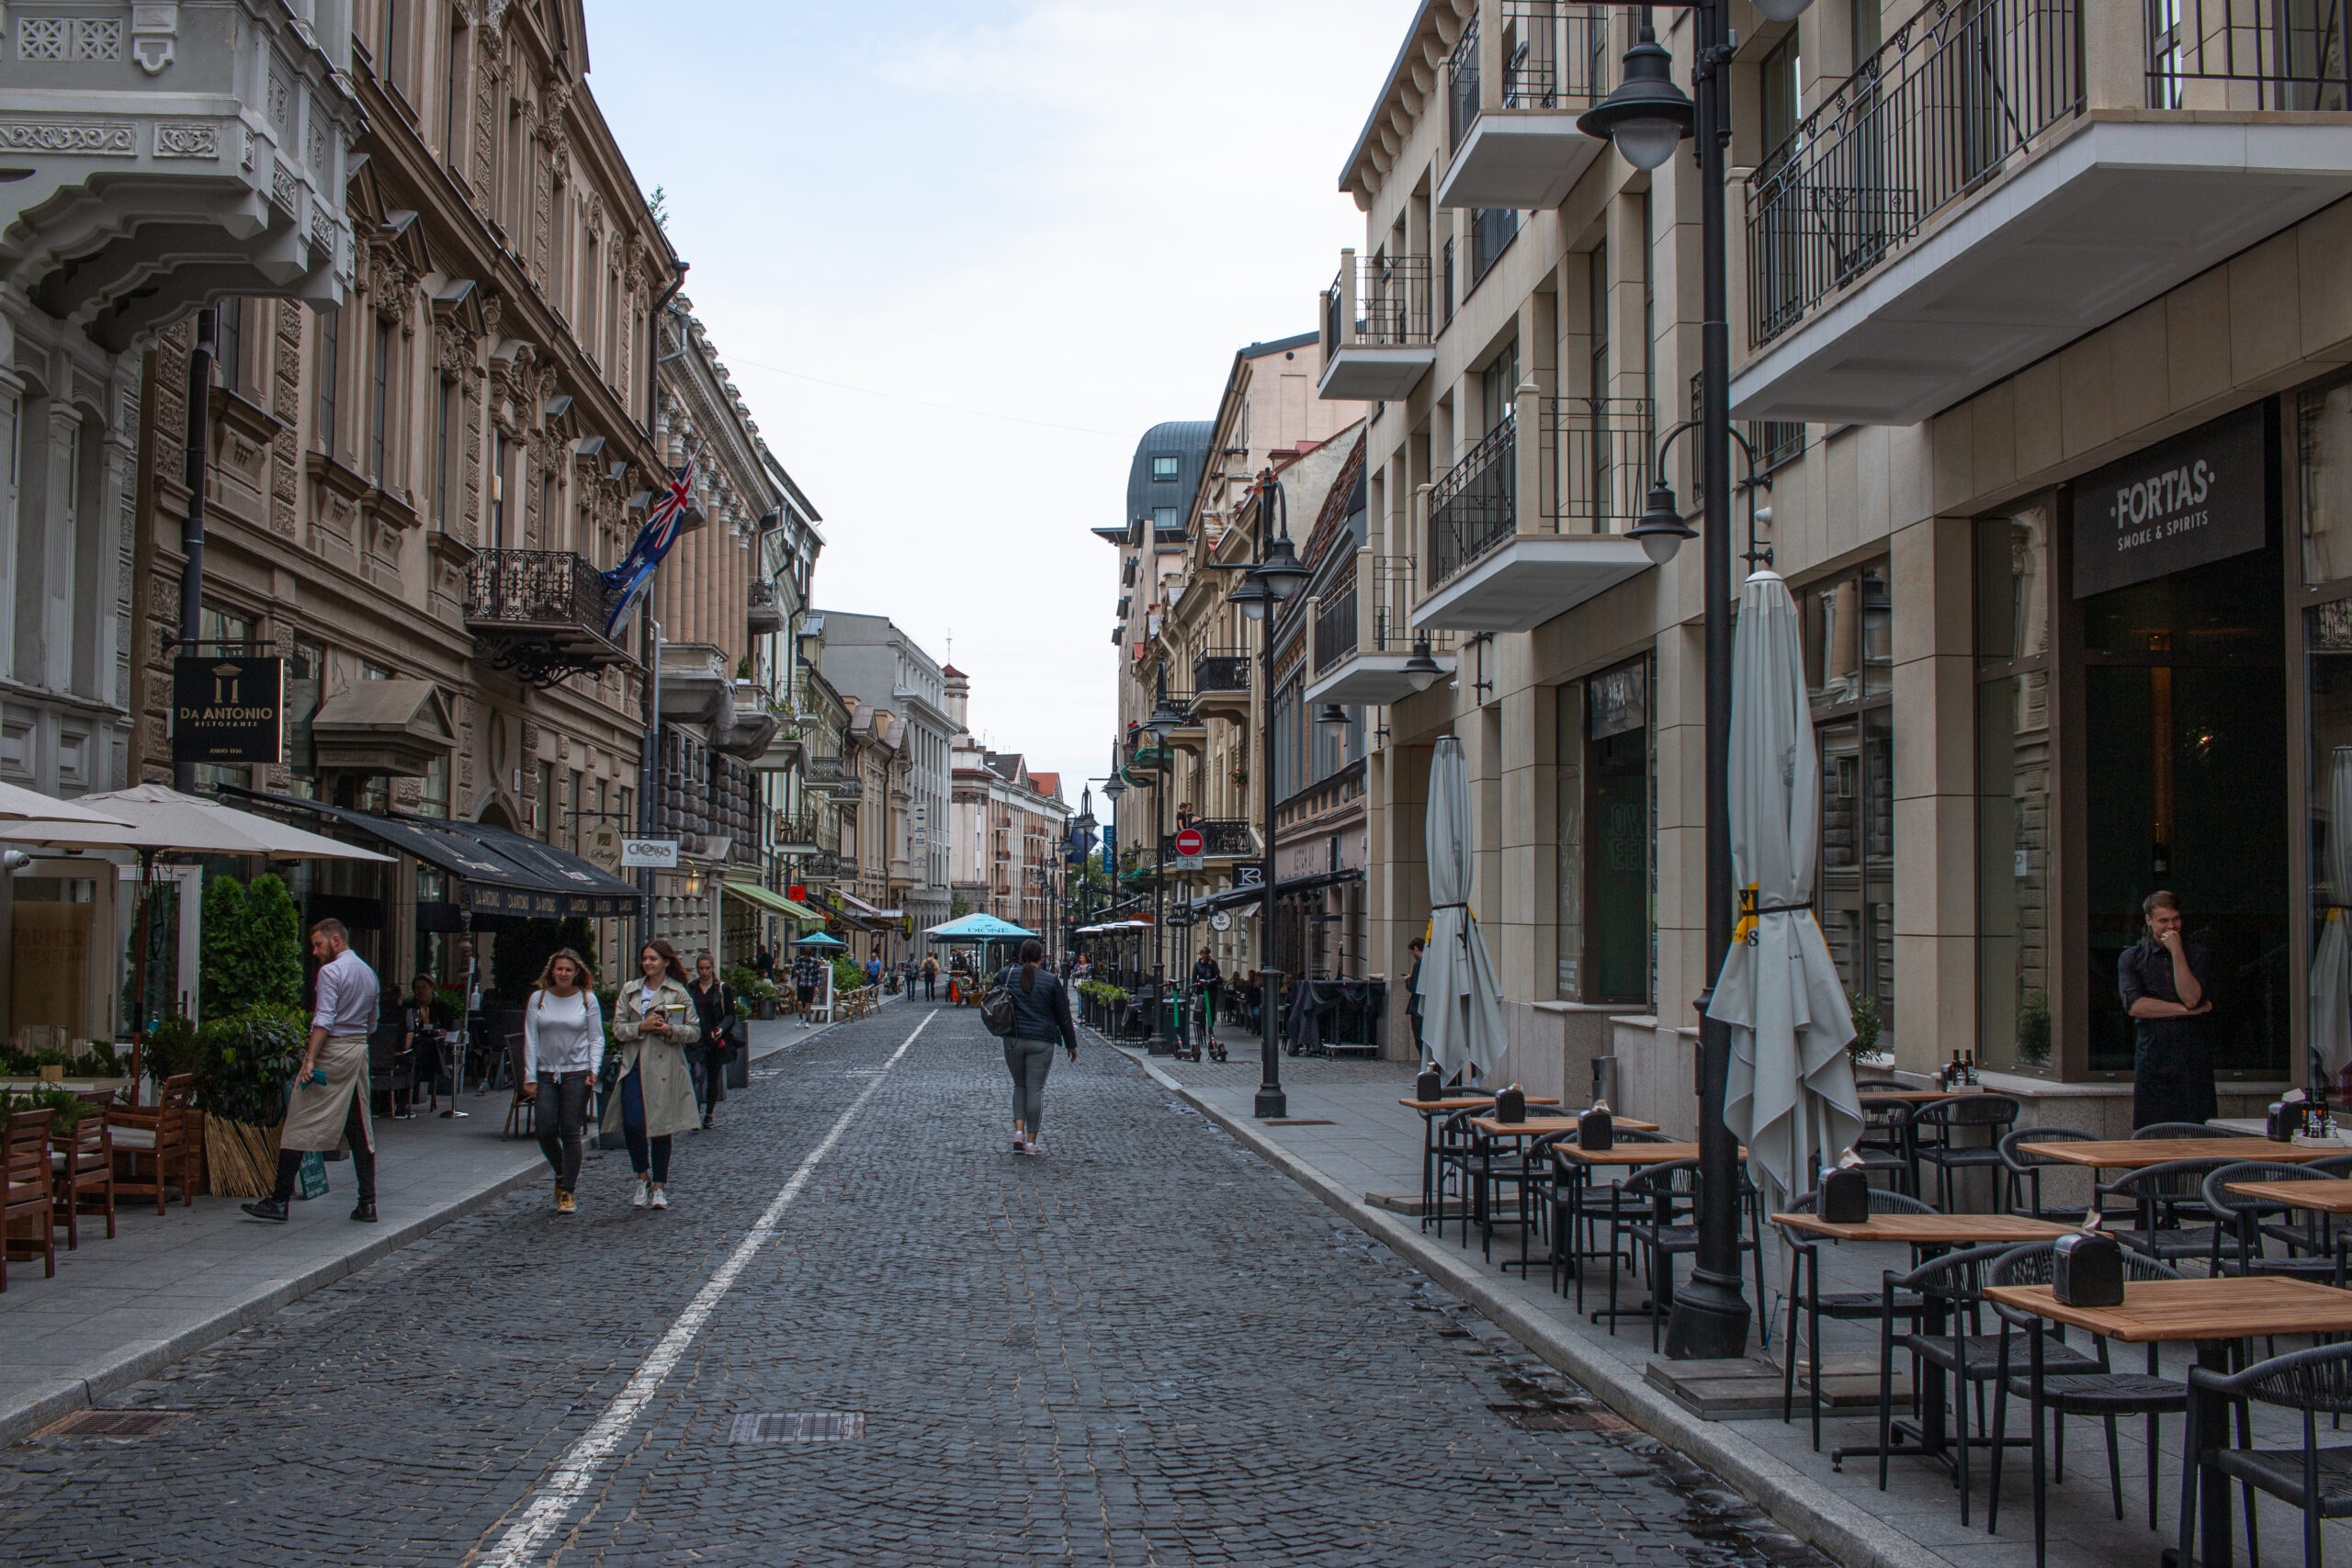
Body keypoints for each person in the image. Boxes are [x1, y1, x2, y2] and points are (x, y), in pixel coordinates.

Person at [243, 920, 380, 1224]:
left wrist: (309, 1059)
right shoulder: (369, 973)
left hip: (332, 1051)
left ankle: (280, 1200)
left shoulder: (331, 972)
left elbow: (324, 1018)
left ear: (335, 940)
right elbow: (373, 1022)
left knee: (299, 1119)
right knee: (360, 1127)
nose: (315, 952)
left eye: (318, 945)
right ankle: (368, 1203)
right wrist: (357, 1042)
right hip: (358, 1052)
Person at [601, 941, 699, 1209]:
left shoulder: (677, 992)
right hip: (634, 1063)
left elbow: (694, 1031)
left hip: (665, 1066)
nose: (648, 963)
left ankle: (659, 1186)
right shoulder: (630, 990)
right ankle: (642, 1175)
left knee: (660, 1127)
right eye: (645, 958)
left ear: (666, 962)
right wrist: (641, 1027)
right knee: (633, 1123)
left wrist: (669, 1030)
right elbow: (618, 1028)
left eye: (653, 959)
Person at [2119, 890, 2218, 1129]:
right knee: (2153, 1134)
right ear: (2149, 920)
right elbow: (2136, 1006)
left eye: (2176, 919)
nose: (2171, 926)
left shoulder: (2197, 954)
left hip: (2192, 1059)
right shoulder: (2132, 958)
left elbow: (2192, 998)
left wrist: (2176, 952)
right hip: (2154, 1059)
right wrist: (2184, 1011)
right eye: (2164, 921)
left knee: (2198, 1133)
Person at [522, 949, 604, 1213]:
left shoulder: (587, 999)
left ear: (577, 972)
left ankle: (568, 1190)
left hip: (577, 1071)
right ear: (551, 971)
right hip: (546, 1071)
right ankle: (561, 1171)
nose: (564, 974)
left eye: (568, 970)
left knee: (570, 1130)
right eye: (559, 969)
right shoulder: (539, 998)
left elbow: (596, 1037)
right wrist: (529, 1076)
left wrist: (594, 1069)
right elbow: (531, 1038)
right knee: (544, 1128)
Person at [1000, 938, 1078, 1156]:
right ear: (1041, 957)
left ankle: (1017, 1132)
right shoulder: (1051, 980)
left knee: (1019, 1085)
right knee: (1035, 1089)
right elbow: (1064, 1016)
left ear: (1021, 955)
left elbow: (994, 995)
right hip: (1042, 1041)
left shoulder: (1007, 975)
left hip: (1013, 1039)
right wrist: (1071, 1044)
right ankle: (1031, 1142)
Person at [395, 974, 456, 1118]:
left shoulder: (443, 1007)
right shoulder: (408, 1007)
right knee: (412, 1061)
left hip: (434, 1049)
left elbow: (448, 1028)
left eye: (424, 987)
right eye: (417, 988)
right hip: (412, 1047)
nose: (420, 991)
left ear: (432, 988)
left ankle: (405, 1100)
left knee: (416, 1061)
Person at [686, 952, 734, 1132]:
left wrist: (721, 1028)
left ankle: (709, 1114)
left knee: (713, 1078)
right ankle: (694, 1115)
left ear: (713, 968)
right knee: (697, 1075)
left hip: (715, 1039)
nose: (704, 972)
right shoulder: (691, 988)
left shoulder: (722, 989)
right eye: (701, 969)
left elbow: (730, 1014)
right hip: (697, 1038)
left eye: (707, 968)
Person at [1192, 946, 1223, 1039]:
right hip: (1201, 989)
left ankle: (1210, 1027)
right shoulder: (1197, 965)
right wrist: (1194, 990)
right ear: (1201, 955)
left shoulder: (1212, 963)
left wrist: (1211, 964)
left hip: (1212, 988)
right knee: (1202, 1009)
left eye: (1207, 954)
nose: (1205, 956)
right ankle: (1202, 1029)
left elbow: (1217, 974)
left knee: (1211, 1009)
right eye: (1203, 954)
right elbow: (1194, 977)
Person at [1405, 937, 1427, 1058]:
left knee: (1419, 1038)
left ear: (1416, 948)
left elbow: (1413, 987)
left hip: (1418, 1007)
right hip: (1428, 1007)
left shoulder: (1419, 964)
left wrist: (1408, 980)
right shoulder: (1431, 963)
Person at [792, 947, 821, 1023]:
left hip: (810, 985)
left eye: (807, 956)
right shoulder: (799, 961)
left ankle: (807, 1020)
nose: (806, 957)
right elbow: (794, 970)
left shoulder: (814, 962)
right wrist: (797, 973)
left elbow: (817, 975)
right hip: (801, 984)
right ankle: (800, 1017)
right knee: (799, 1003)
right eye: (805, 956)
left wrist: (817, 986)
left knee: (808, 1004)